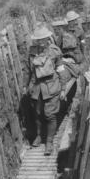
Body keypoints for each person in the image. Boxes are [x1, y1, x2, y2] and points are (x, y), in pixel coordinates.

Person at [27, 25, 63, 155]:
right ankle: (38, 135)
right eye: (38, 39)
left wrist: (63, 88)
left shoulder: (54, 51)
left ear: (47, 38)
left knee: (50, 115)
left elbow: (60, 69)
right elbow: (30, 71)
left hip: (51, 87)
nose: (40, 42)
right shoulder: (32, 52)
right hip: (37, 88)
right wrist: (29, 86)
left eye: (43, 39)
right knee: (37, 114)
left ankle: (49, 142)